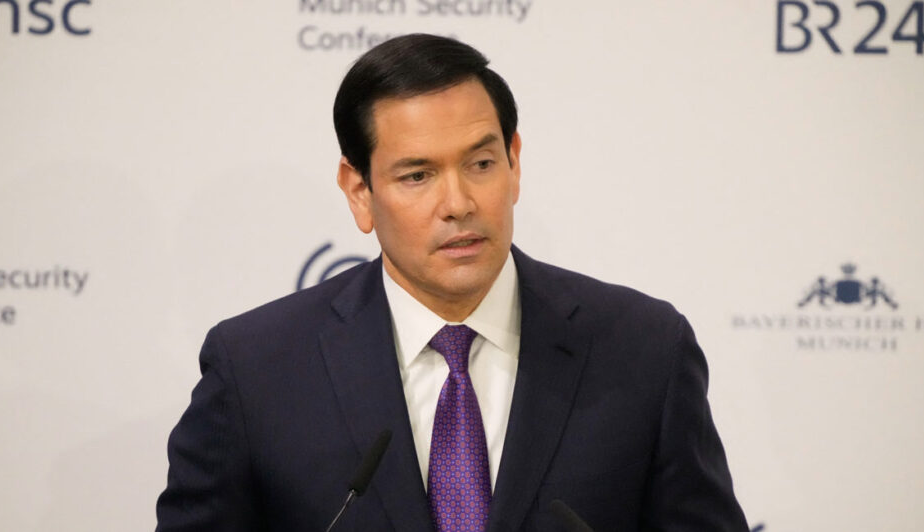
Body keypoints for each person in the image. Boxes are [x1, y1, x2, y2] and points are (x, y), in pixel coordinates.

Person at [156, 34, 748, 531]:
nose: (459, 203)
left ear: (514, 163)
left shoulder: (643, 349)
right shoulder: (258, 368)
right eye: (417, 175)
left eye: (481, 164)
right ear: (359, 191)